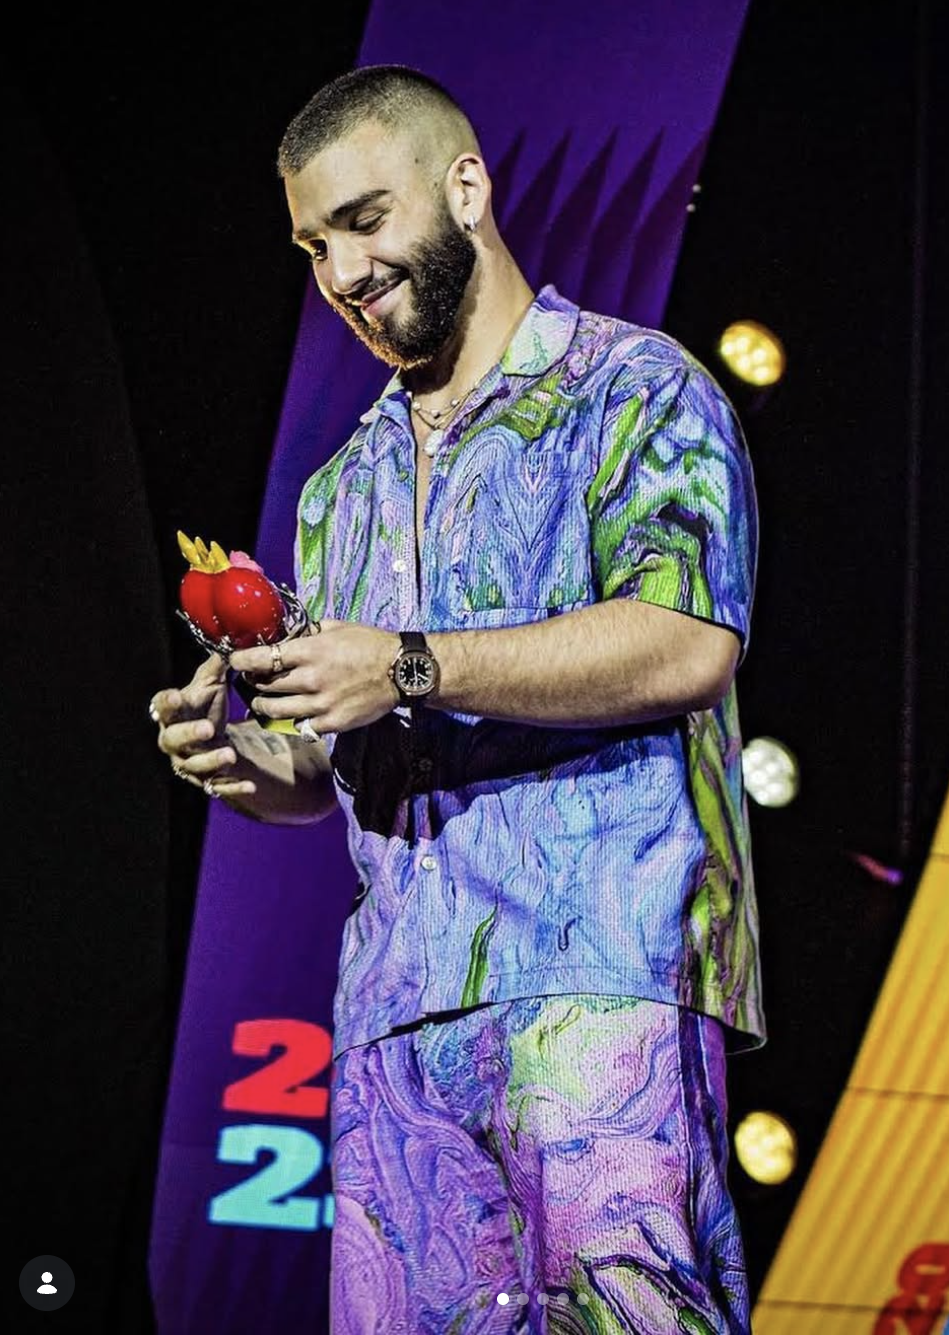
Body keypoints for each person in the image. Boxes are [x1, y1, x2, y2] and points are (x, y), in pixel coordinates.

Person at [150, 65, 762, 1335]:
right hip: (394, 1022)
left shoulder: (636, 390)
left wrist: (412, 662)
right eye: (316, 245)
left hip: (600, 979)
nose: (344, 271)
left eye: (367, 221)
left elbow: (688, 641)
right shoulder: (342, 489)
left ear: (466, 187)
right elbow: (337, 766)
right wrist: (251, 764)